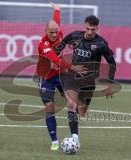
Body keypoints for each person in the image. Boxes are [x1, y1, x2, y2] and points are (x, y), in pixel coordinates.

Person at [58, 15, 117, 147]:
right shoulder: (74, 36)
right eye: (88, 28)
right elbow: (59, 47)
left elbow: (112, 63)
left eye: (93, 29)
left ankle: (78, 114)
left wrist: (109, 84)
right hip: (72, 77)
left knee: (82, 111)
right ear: (84, 26)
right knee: (71, 103)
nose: (90, 32)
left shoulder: (101, 44)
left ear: (97, 28)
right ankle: (75, 138)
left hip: (89, 81)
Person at [36, 3, 87, 151]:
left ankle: (75, 137)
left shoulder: (58, 32)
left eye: (56, 32)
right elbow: (55, 59)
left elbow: (56, 20)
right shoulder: (43, 44)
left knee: (72, 103)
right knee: (49, 106)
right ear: (46, 31)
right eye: (51, 32)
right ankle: (54, 141)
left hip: (61, 75)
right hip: (46, 77)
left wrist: (57, 9)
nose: (54, 35)